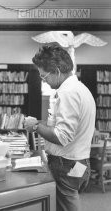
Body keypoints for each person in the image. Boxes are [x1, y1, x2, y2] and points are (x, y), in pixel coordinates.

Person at [24, 43, 96, 211]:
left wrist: (34, 126)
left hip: (66, 164)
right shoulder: (80, 89)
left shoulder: (67, 92)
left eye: (44, 76)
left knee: (66, 203)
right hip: (81, 162)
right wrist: (42, 124)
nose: (44, 81)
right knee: (70, 198)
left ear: (56, 71)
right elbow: (66, 127)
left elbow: (62, 137)